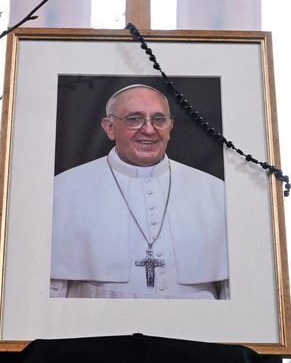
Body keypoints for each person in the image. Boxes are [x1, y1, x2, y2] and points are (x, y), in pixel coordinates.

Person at [50, 84, 229, 299]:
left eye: (159, 119)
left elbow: (232, 291)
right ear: (109, 127)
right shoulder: (63, 190)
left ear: (170, 126)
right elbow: (52, 293)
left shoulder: (216, 192)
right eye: (134, 119)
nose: (149, 129)